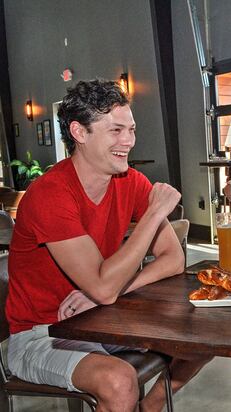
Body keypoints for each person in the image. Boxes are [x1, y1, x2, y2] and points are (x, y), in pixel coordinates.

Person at [6, 79, 210, 412]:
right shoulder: (49, 195)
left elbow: (173, 259)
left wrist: (114, 290)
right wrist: (155, 213)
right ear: (80, 132)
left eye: (131, 130)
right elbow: (102, 287)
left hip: (102, 317)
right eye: (116, 131)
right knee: (119, 381)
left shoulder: (131, 182)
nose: (128, 141)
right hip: (40, 333)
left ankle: (150, 407)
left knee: (205, 340)